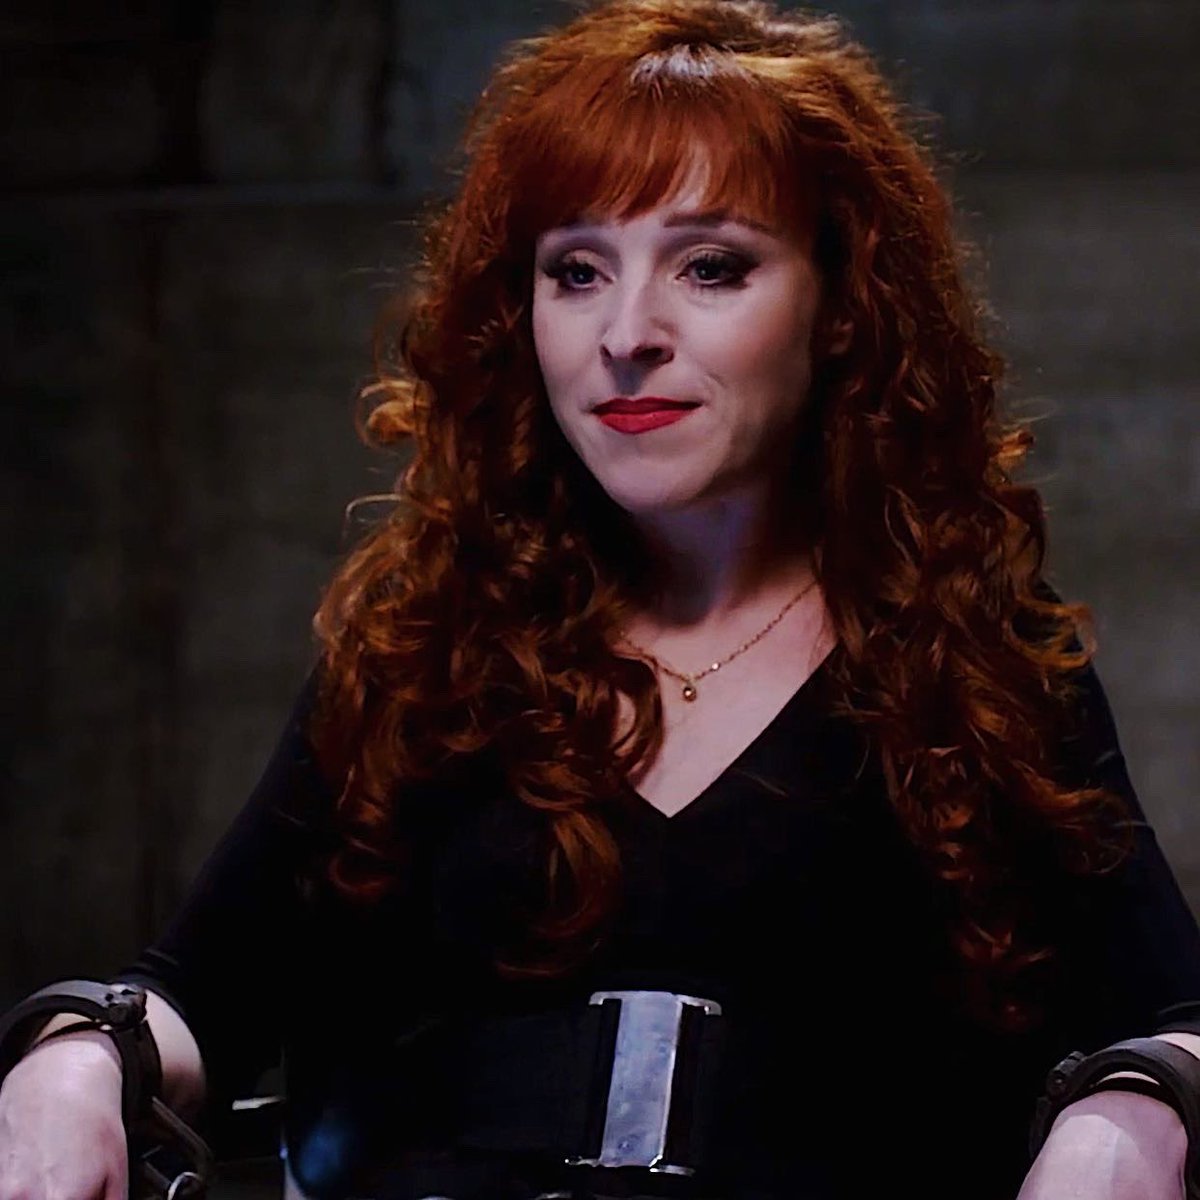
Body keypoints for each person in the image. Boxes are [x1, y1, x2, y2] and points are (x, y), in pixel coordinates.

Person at [2, 1, 1199, 1198]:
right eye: (576, 272)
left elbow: (1175, 1019)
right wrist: (73, 1061)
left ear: (842, 306)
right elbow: (192, 998)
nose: (628, 333)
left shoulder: (974, 663)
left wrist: (1128, 1117)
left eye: (711, 266)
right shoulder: (427, 650)